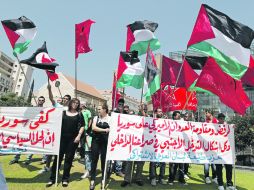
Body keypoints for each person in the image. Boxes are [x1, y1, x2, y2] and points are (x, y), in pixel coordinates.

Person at [46, 98, 85, 187]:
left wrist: (79, 136)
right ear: (70, 103)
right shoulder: (63, 113)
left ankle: (65, 179)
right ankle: (52, 178)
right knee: (57, 159)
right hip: (62, 139)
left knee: (68, 159)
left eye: (77, 103)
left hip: (73, 140)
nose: (75, 104)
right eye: (74, 102)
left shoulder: (79, 114)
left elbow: (83, 125)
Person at [9, 96, 46, 165]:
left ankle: (28, 159)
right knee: (21, 144)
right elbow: (26, 116)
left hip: (37, 130)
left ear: (44, 101)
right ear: (38, 100)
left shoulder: (44, 110)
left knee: (32, 145)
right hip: (28, 129)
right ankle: (16, 158)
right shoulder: (32, 108)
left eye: (42, 100)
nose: (40, 101)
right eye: (39, 100)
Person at [121, 104, 147, 187]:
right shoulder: (134, 116)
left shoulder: (148, 116)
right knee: (129, 162)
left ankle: (138, 178)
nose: (143, 109)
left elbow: (147, 120)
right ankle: (127, 179)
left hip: (143, 143)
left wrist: (143, 112)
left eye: (144, 108)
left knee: (140, 162)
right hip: (133, 142)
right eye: (142, 108)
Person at [90, 103, 111, 190]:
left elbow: (112, 130)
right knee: (94, 160)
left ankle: (103, 179)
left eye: (99, 109)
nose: (98, 111)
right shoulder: (96, 118)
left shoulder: (110, 119)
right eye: (98, 109)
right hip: (96, 141)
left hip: (105, 142)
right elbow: (93, 128)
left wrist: (107, 131)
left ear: (105, 109)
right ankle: (92, 180)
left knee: (103, 161)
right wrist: (105, 130)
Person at [216, 113, 236, 190]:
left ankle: (229, 184)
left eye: (223, 118)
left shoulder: (228, 127)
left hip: (227, 152)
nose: (222, 120)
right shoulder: (214, 126)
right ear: (218, 119)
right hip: (217, 151)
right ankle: (220, 184)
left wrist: (233, 127)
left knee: (229, 168)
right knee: (219, 168)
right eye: (220, 118)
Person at [168, 111, 187, 185]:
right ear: (174, 116)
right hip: (172, 147)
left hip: (181, 147)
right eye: (178, 116)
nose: (179, 117)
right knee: (173, 165)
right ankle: (171, 179)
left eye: (180, 116)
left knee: (181, 165)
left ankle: (181, 179)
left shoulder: (182, 124)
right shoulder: (169, 124)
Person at [149, 108, 167, 186]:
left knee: (163, 162)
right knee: (153, 162)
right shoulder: (152, 120)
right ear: (156, 112)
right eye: (159, 111)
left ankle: (161, 177)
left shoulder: (165, 121)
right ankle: (153, 178)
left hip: (162, 144)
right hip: (153, 144)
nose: (161, 112)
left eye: (161, 111)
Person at [204, 109, 218, 184]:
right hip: (206, 147)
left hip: (214, 147)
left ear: (210, 113)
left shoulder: (216, 121)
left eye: (207, 113)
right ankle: (206, 177)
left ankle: (214, 177)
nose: (206, 114)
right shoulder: (205, 122)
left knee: (214, 164)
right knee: (206, 164)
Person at [80, 102, 92, 179]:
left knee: (87, 152)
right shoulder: (78, 111)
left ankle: (88, 170)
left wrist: (88, 127)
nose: (80, 105)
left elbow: (90, 119)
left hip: (86, 130)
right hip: (80, 130)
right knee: (83, 148)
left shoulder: (87, 111)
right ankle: (88, 169)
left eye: (81, 104)